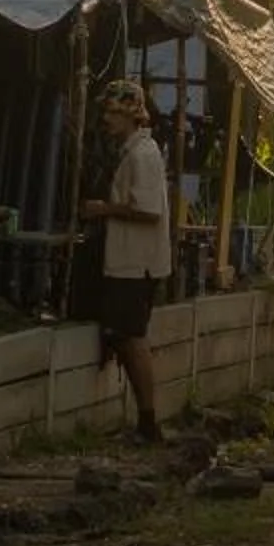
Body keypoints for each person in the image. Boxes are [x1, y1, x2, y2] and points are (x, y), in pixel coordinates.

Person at [80, 77, 171, 443]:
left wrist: (104, 209)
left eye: (113, 113)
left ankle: (148, 422)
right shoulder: (131, 152)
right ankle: (145, 421)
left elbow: (148, 211)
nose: (107, 120)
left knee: (133, 338)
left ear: (132, 116)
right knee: (125, 335)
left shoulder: (143, 155)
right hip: (126, 260)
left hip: (137, 262)